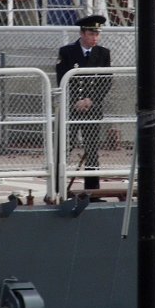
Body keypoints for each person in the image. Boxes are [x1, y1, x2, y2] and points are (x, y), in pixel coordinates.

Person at [56, 14, 111, 192]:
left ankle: (92, 191)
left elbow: (106, 80)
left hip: (92, 108)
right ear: (82, 33)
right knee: (64, 148)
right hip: (71, 108)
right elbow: (62, 78)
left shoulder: (103, 53)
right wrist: (75, 101)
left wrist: (91, 100)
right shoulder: (67, 51)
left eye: (97, 34)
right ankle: (59, 189)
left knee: (92, 150)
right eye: (91, 34)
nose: (94, 37)